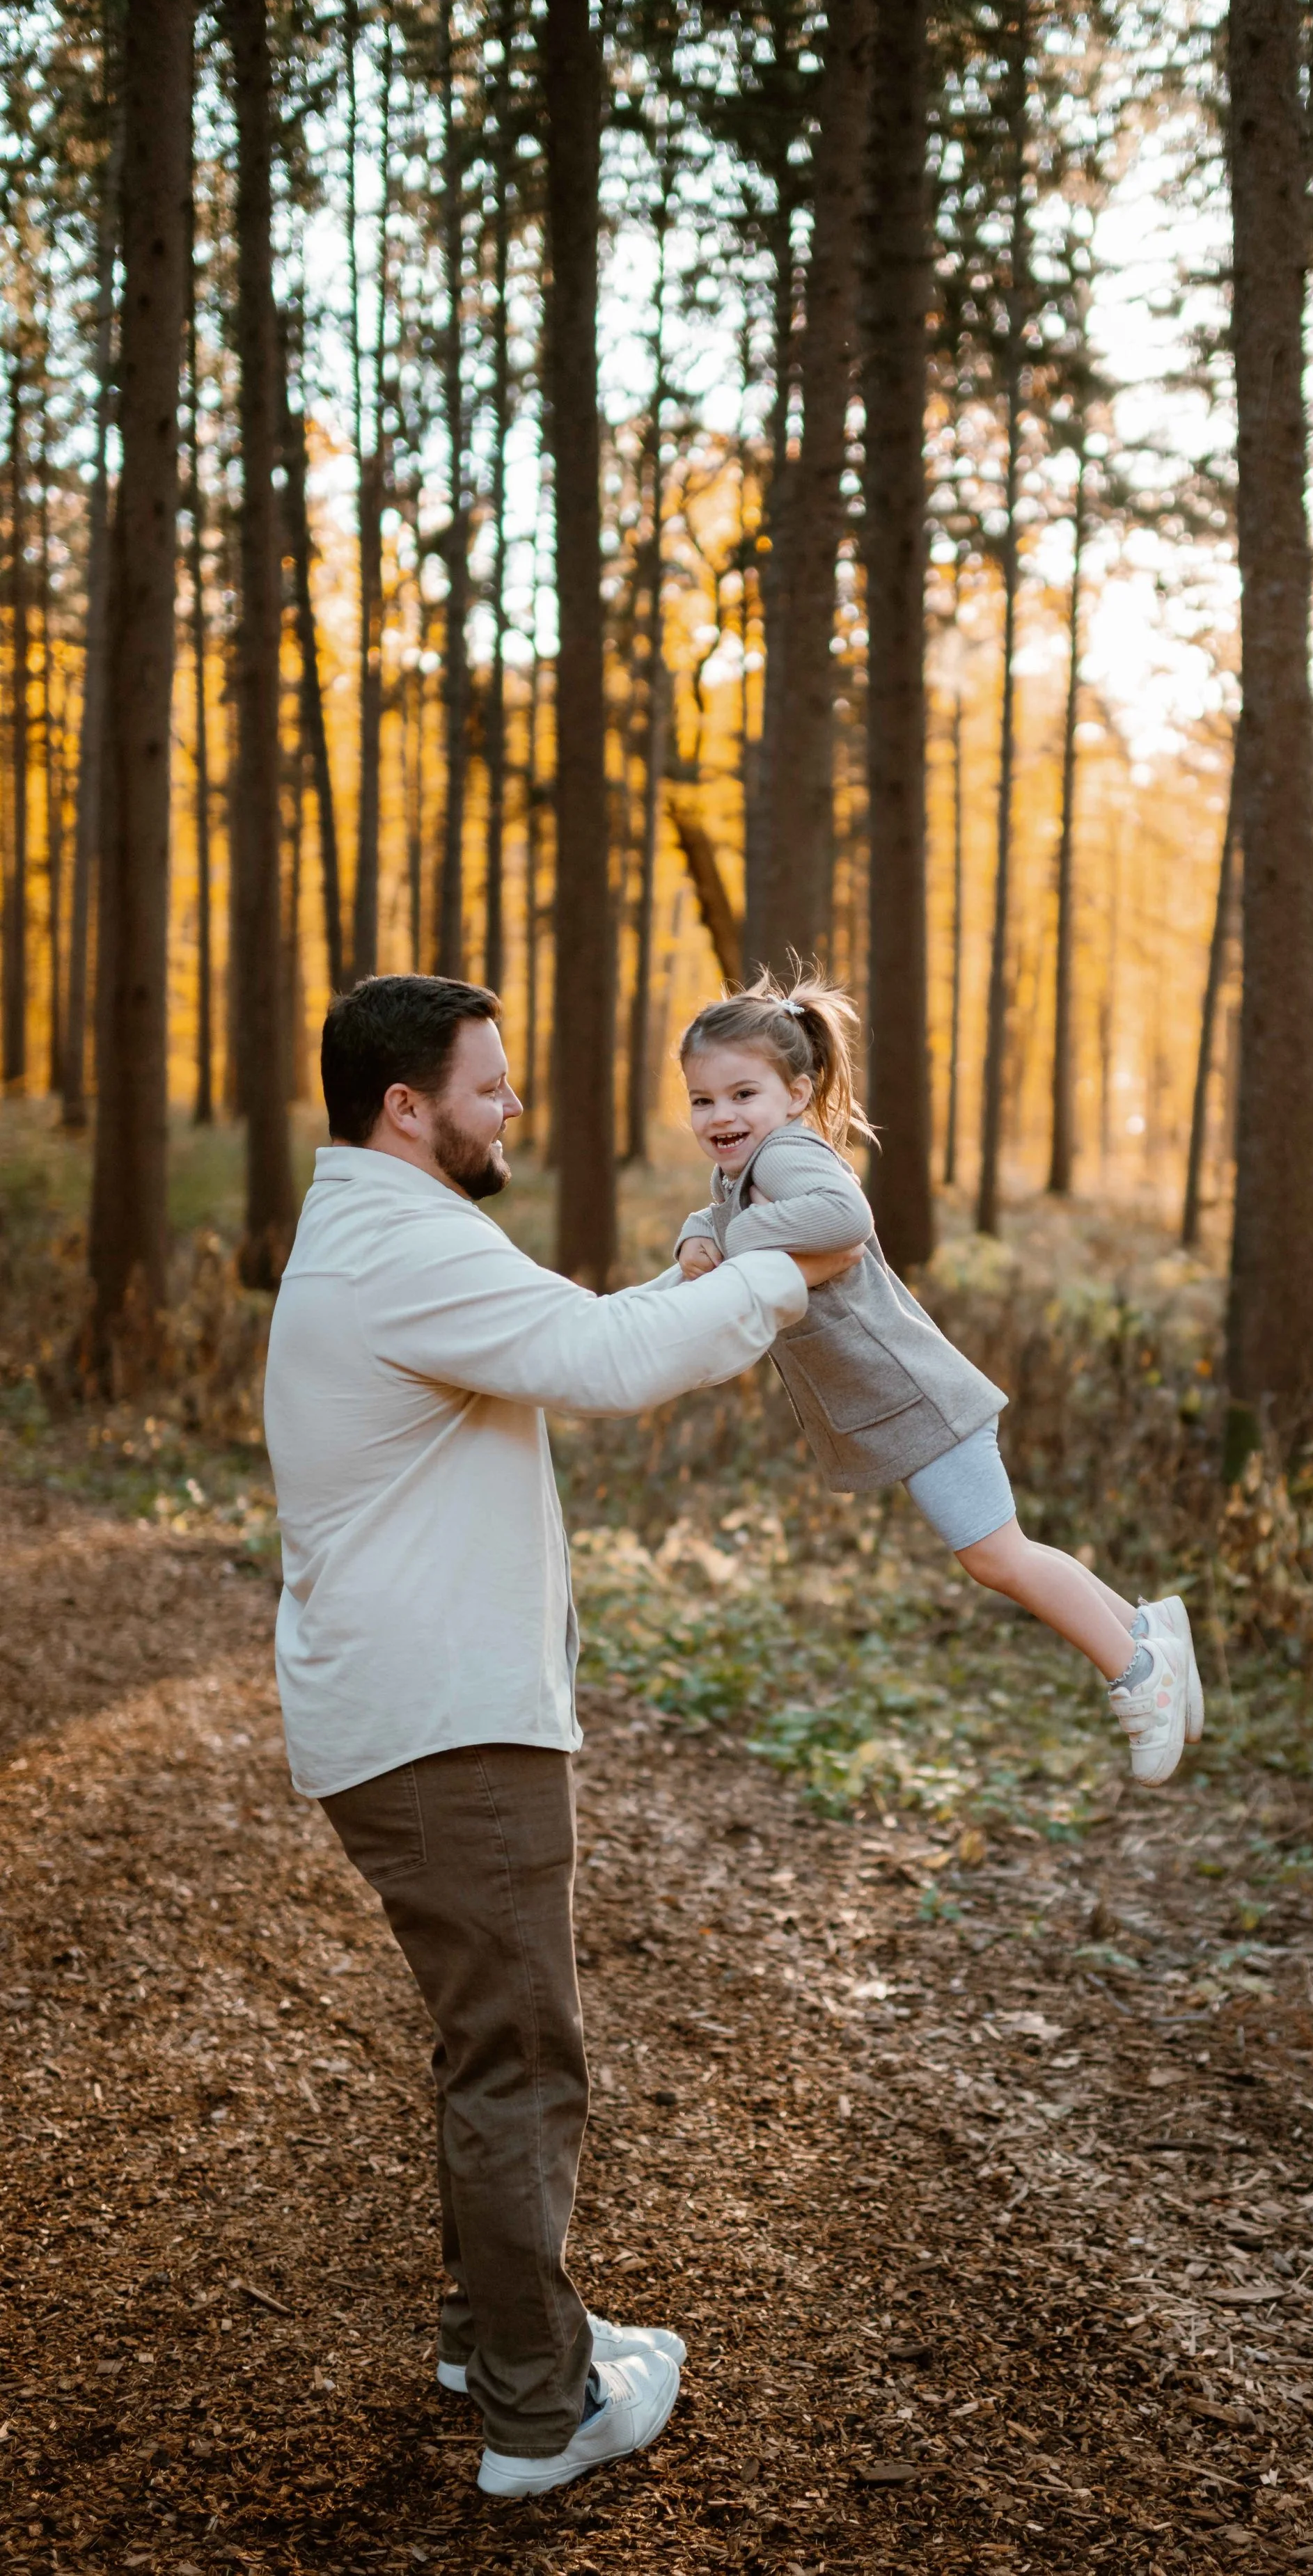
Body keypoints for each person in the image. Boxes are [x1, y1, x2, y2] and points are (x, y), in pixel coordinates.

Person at [262, 974, 863, 2499]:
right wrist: (789, 1272)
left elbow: (576, 1336)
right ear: (408, 1105)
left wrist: (712, 1279)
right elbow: (602, 1367)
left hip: (423, 1704)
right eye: (490, 1086)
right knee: (522, 2050)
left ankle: (495, 2338)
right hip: (439, 1721)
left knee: (491, 2036)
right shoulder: (400, 1244)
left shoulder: (389, 1230)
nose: (513, 1108)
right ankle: (543, 2413)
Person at [673, 971, 1204, 1787]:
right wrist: (695, 1241)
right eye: (702, 1101)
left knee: (995, 1558)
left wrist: (733, 1235)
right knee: (1007, 1550)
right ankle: (1145, 1627)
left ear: (796, 1091)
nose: (721, 1117)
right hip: (914, 1395)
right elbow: (717, 1217)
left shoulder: (786, 1152)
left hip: (916, 1395)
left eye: (742, 1093)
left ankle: (1135, 1672)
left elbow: (845, 1216)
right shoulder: (749, 1169)